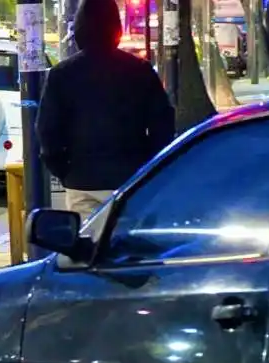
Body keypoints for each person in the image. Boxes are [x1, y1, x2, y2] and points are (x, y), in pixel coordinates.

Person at [36, 0, 175, 220]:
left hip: (83, 181)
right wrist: (146, 165)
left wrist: (67, 172)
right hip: (131, 179)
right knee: (129, 246)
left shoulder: (62, 74)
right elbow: (163, 125)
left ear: (79, 29)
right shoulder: (139, 70)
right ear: (116, 28)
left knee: (87, 248)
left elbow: (48, 132)